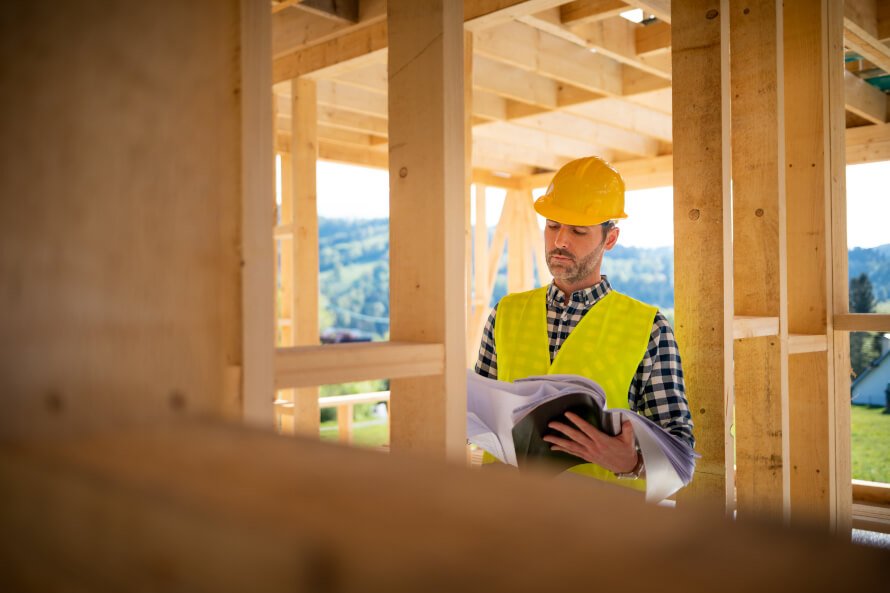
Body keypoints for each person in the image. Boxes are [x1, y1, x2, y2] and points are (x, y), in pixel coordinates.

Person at [474, 156, 694, 491]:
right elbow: (475, 416)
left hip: (600, 531)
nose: (560, 240)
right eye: (552, 225)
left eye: (578, 230)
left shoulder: (649, 328)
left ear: (610, 238)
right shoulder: (504, 313)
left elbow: (682, 458)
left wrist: (631, 463)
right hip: (506, 520)